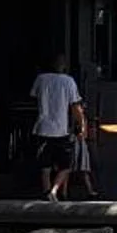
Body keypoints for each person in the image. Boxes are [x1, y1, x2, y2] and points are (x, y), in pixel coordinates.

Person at [31, 53, 88, 202]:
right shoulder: (68, 81)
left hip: (42, 127)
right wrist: (81, 125)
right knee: (66, 165)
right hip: (61, 128)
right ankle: (55, 190)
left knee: (45, 164)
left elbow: (33, 99)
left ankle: (46, 191)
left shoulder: (40, 79)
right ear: (63, 66)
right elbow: (76, 106)